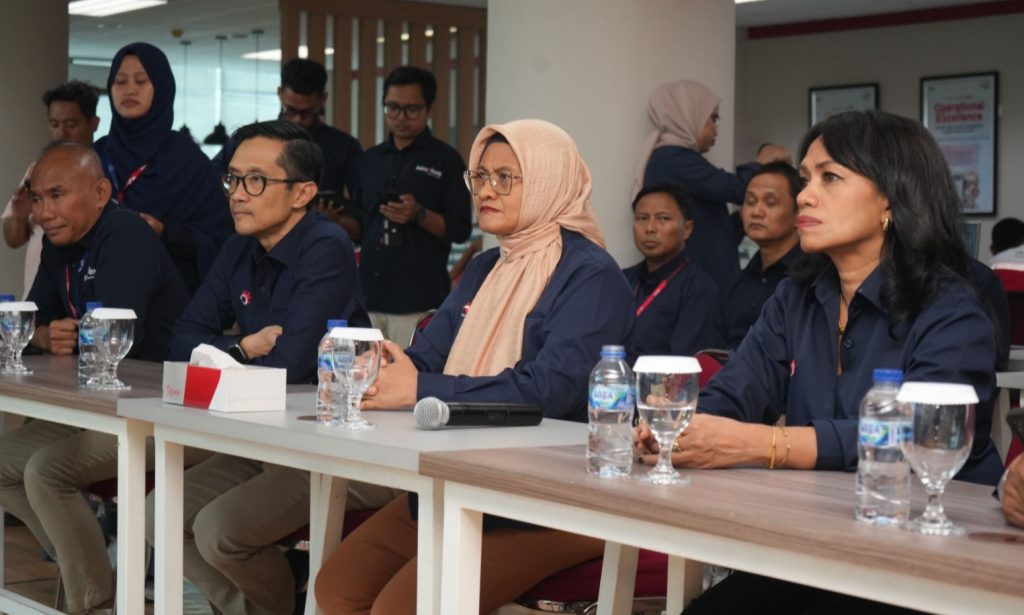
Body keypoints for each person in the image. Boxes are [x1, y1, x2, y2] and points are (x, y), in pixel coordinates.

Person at [634, 110, 1003, 614]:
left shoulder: (951, 310)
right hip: (821, 542)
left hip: (934, 557)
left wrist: (765, 444)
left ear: (890, 198)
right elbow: (735, 391)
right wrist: (678, 428)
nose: (804, 196)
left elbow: (921, 436)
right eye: (805, 179)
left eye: (830, 178)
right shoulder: (796, 298)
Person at [314, 119, 635, 614]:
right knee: (337, 589)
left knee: (401, 608)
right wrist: (383, 367)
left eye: (505, 178)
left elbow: (549, 391)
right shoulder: (486, 265)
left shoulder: (592, 276)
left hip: (553, 497)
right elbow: (429, 357)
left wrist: (420, 388)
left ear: (549, 181)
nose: (486, 191)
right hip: (460, 476)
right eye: (480, 177)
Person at [154, 120, 399, 615]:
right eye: (233, 178)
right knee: (157, 513)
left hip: (327, 442)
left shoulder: (325, 246)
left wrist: (225, 355)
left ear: (302, 193)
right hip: (261, 433)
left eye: (256, 180)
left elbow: (289, 366)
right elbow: (180, 341)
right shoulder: (237, 247)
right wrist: (243, 347)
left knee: (217, 530)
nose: (237, 194)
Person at [0, 141, 190, 615]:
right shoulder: (58, 244)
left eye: (57, 196)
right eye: (37, 199)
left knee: (45, 472)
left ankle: (95, 601)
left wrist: (59, 335)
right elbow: (33, 324)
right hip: (99, 408)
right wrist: (44, 335)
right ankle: (89, 568)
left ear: (101, 193)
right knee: (3, 462)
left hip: (156, 412)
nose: (44, 213)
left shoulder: (125, 235)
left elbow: (110, 338)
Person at [95, 42, 232, 295]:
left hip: (169, 298)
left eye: (141, 81)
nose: (129, 90)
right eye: (120, 81)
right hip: (97, 294)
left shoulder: (187, 159)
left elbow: (221, 236)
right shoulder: (96, 156)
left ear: (161, 88)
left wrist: (166, 232)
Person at [357, 65, 473, 348]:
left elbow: (460, 230)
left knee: (411, 371)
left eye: (411, 109)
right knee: (362, 372)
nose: (400, 117)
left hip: (417, 298)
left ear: (428, 109)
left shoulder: (446, 160)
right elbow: (361, 223)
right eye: (392, 107)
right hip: (368, 295)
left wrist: (418, 214)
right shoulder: (370, 159)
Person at [635, 79, 790, 287]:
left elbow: (712, 226)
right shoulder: (672, 159)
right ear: (689, 114)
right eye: (712, 119)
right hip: (696, 282)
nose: (715, 129)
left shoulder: (678, 158)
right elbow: (737, 189)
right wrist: (762, 162)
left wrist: (745, 218)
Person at [212, 57, 364, 240]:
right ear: (280, 94)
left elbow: (363, 217)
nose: (298, 119)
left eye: (306, 113)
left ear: (322, 100)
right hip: (253, 239)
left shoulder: (344, 146)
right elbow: (212, 182)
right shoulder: (250, 140)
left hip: (317, 240)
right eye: (290, 110)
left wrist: (334, 222)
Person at [4, 80, 101, 297]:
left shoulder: (102, 172)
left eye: (71, 124)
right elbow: (13, 240)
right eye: (54, 124)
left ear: (93, 123)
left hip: (83, 295)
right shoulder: (37, 170)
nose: (61, 133)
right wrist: (19, 216)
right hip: (38, 294)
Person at [712, 162, 803, 349]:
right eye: (750, 202)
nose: (756, 212)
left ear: (799, 212)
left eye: (770, 203)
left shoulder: (810, 280)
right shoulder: (736, 283)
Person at [623, 183, 719, 356]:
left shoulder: (698, 288)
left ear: (687, 229)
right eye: (642, 218)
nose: (650, 228)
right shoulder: (622, 279)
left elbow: (685, 360)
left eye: (663, 218)